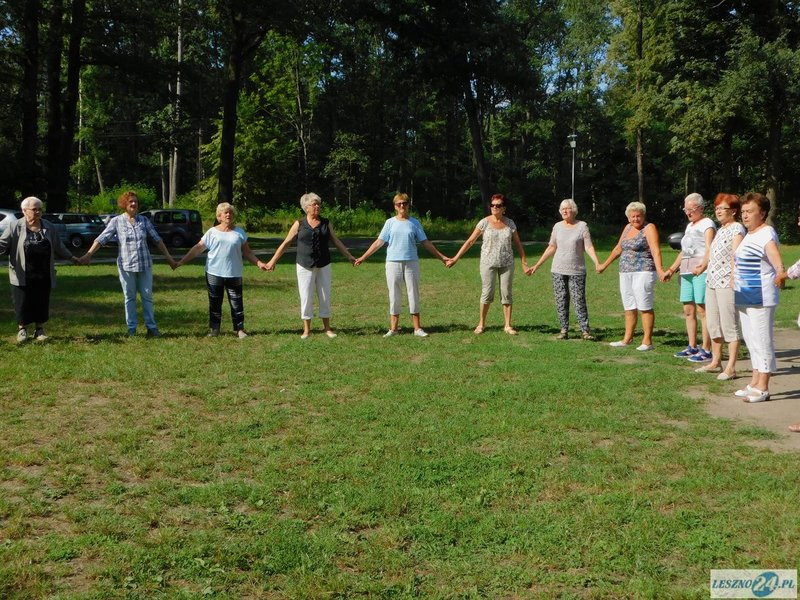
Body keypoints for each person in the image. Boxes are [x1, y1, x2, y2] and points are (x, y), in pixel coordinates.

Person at [81, 190, 177, 337]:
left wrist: (169, 258)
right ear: (124, 204)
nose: (133, 204)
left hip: (145, 265)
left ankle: (151, 327)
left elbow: (157, 240)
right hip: (126, 266)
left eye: (135, 202)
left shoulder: (144, 221)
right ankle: (131, 329)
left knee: (147, 296)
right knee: (129, 297)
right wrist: (88, 255)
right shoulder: (116, 221)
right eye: (130, 202)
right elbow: (101, 239)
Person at [354, 193, 449, 337]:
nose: (402, 206)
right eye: (399, 204)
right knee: (394, 294)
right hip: (393, 263)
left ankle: (417, 328)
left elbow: (425, 242)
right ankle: (393, 329)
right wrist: (363, 257)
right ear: (395, 207)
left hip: (411, 262)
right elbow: (379, 242)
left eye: (404, 203)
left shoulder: (415, 223)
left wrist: (442, 257)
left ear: (408, 205)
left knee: (413, 293)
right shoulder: (389, 223)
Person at [265, 193, 356, 339]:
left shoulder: (326, 223)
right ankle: (306, 330)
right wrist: (272, 261)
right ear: (306, 208)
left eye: (318, 204)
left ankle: (327, 328)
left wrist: (349, 256)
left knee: (325, 296)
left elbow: (336, 241)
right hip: (304, 265)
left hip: (324, 264)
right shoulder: (299, 224)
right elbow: (286, 242)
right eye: (314, 204)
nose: (317, 206)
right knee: (306, 296)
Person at [176, 202, 268, 337]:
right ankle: (214, 329)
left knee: (237, 302)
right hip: (214, 272)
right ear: (219, 216)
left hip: (234, 273)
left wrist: (259, 263)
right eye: (225, 213)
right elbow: (198, 248)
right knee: (215, 302)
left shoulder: (239, 232)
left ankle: (240, 329)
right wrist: (181, 262)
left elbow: (247, 252)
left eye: (230, 212)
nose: (228, 215)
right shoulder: (212, 232)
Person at [445, 194, 530, 334]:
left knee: (506, 293)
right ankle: (481, 324)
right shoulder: (484, 222)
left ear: (504, 208)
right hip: (487, 263)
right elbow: (470, 241)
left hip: (507, 263)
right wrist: (455, 258)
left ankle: (508, 325)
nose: (494, 207)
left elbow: (518, 244)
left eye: (498, 205)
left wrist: (524, 262)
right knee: (487, 293)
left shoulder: (510, 223)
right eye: (492, 205)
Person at [0, 196, 78, 342]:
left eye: (40, 209)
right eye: (34, 209)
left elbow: (58, 246)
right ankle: (22, 330)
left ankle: (39, 330)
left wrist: (72, 258)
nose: (38, 212)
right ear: (24, 211)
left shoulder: (48, 226)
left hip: (43, 271)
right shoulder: (14, 226)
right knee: (22, 301)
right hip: (22, 272)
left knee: (41, 301)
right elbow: (2, 244)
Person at [733, 192, 785, 404]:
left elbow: (776, 261)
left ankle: (763, 387)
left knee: (762, 341)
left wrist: (781, 274)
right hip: (744, 296)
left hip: (761, 297)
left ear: (762, 213)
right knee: (752, 341)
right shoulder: (749, 234)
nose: (745, 216)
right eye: (743, 212)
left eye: (750, 211)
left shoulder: (766, 234)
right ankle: (754, 381)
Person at [597, 201, 666, 351]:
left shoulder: (649, 228)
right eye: (632, 216)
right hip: (625, 271)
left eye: (638, 216)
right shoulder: (627, 228)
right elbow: (618, 249)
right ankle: (627, 338)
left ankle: (647, 341)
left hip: (644, 271)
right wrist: (604, 265)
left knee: (644, 305)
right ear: (628, 218)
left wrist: (660, 270)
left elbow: (655, 250)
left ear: (643, 216)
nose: (635, 219)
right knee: (629, 306)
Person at [529, 199, 600, 339]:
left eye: (568, 208)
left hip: (577, 270)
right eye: (562, 209)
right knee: (561, 299)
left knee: (578, 299)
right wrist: (537, 265)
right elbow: (552, 247)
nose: (565, 211)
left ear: (574, 210)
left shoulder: (582, 226)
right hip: (558, 269)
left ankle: (585, 331)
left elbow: (588, 246)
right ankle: (563, 330)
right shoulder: (557, 226)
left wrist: (597, 262)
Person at [692, 194, 745, 380]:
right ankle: (715, 362)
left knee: (729, 325)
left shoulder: (737, 228)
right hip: (712, 281)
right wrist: (702, 266)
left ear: (733, 211)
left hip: (727, 283)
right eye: (717, 208)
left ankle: (731, 367)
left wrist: (733, 277)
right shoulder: (721, 229)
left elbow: (736, 256)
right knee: (713, 324)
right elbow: (712, 252)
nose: (718, 211)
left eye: (722, 208)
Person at [665, 193, 716, 362]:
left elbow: (710, 248)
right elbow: (684, 251)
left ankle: (706, 349)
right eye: (685, 209)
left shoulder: (707, 224)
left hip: (701, 271)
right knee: (688, 310)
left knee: (703, 310)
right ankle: (692, 346)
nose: (688, 212)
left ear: (701, 208)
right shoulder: (689, 226)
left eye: (691, 209)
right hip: (686, 272)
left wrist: (703, 266)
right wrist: (672, 269)